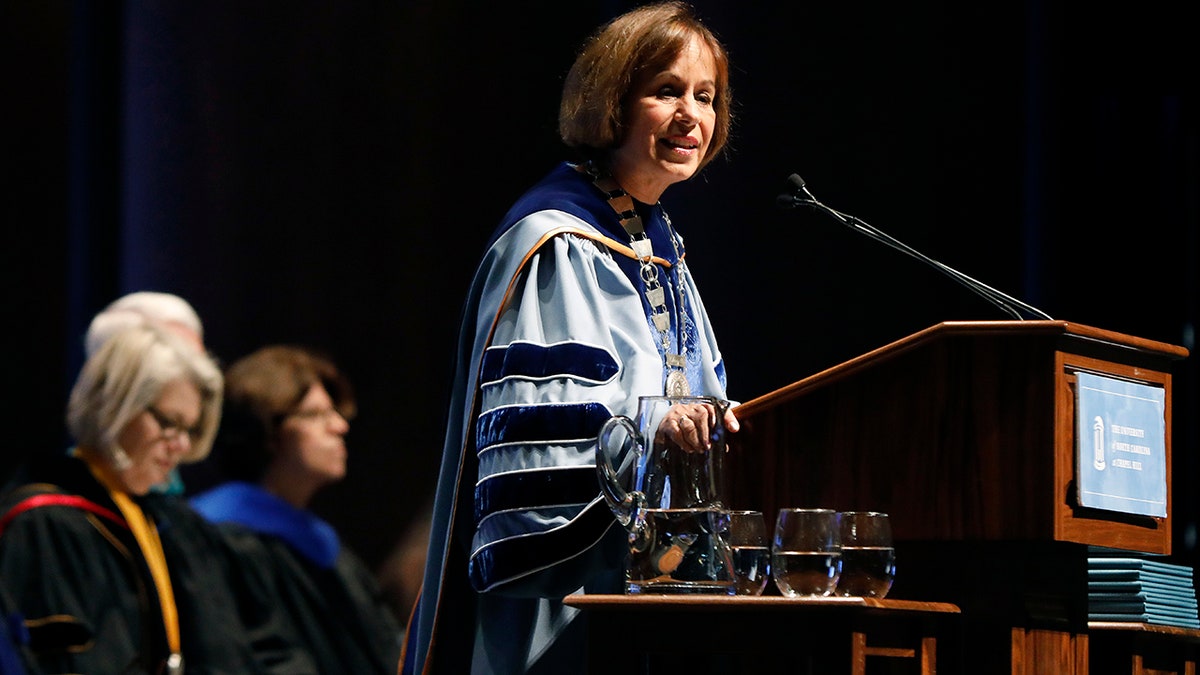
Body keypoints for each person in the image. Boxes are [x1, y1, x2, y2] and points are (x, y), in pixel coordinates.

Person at [403, 3, 740, 672]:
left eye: (706, 97)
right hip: (565, 605)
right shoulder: (556, 241)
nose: (691, 116)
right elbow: (538, 447)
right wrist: (655, 430)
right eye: (666, 90)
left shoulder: (659, 245)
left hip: (659, 593)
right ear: (613, 101)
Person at [0, 322, 270, 673]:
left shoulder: (147, 516)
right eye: (168, 422)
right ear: (117, 404)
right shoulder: (47, 523)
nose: (182, 445)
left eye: (189, 429)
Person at [190, 345, 404, 674]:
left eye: (335, 413)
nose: (339, 427)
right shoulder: (220, 538)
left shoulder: (320, 542)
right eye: (316, 415)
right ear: (267, 431)